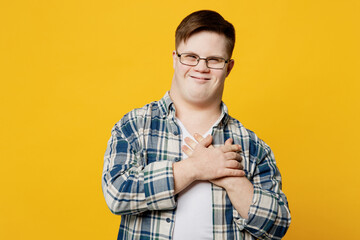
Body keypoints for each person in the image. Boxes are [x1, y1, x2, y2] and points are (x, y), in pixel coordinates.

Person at [102, 10, 291, 240]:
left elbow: (278, 227)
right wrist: (194, 168)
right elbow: (117, 193)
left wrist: (230, 178)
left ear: (229, 68)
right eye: (191, 56)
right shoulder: (135, 126)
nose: (201, 67)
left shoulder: (252, 146)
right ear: (175, 58)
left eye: (214, 60)